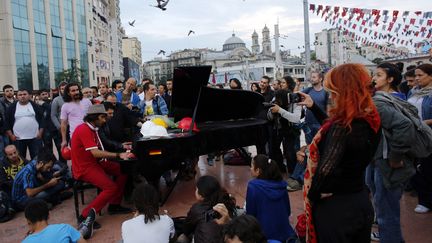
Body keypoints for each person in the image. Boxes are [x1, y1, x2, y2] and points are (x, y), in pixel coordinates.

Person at [298, 63, 381, 243]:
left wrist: (313, 196)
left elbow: (325, 170)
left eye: (333, 91)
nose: (331, 96)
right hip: (359, 199)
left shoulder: (342, 127)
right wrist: (314, 107)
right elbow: (333, 133)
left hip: (337, 209)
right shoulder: (369, 117)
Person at [367, 63, 417, 243]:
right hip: (378, 159)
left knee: (387, 209)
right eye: (374, 74)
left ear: (391, 79)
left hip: (387, 161)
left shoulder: (384, 101)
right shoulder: (380, 97)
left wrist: (396, 157)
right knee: (381, 202)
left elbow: (404, 127)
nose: (374, 78)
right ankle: (385, 233)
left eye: (379, 75)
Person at [71, 104, 133, 232]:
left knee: (124, 170)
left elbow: (101, 148)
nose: (105, 120)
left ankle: (114, 205)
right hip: (85, 167)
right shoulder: (83, 129)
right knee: (110, 187)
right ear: (94, 117)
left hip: (95, 163)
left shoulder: (94, 128)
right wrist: (118, 154)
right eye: (102, 117)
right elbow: (96, 152)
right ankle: (84, 216)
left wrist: (122, 146)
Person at [246, 154, 296, 242]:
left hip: (264, 236)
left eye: (252, 166)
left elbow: (250, 216)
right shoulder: (282, 185)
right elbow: (287, 211)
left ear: (258, 170)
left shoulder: (253, 186)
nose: (250, 168)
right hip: (285, 235)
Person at [178, 175, 237, 243]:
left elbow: (186, 229)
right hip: (225, 238)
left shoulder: (197, 209)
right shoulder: (226, 202)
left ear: (201, 195)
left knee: (182, 238)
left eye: (196, 189)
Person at [408, 64, 432, 214]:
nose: (417, 78)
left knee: (428, 168)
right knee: (416, 169)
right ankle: (424, 198)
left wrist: (423, 123)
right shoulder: (414, 92)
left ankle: (427, 201)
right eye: (415, 75)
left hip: (428, 135)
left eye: (420, 75)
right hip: (415, 135)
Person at [267, 89, 302, 174]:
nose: (277, 100)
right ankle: (279, 169)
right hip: (278, 129)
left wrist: (280, 110)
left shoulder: (295, 103)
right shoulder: (276, 101)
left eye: (279, 98)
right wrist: (272, 111)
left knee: (290, 154)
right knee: (274, 150)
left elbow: (296, 119)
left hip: (291, 131)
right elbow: (269, 117)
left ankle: (292, 174)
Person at [4, 88, 44, 159]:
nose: (22, 96)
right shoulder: (11, 107)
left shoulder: (35, 106)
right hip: (18, 138)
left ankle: (36, 170)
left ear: (29, 96)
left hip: (34, 137)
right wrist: (11, 135)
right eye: (20, 95)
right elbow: (7, 122)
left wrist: (40, 132)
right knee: (20, 159)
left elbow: (42, 120)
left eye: (25, 94)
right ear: (17, 96)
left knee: (37, 158)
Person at [22, 199, 87, 242]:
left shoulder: (25, 241)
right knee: (74, 236)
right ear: (48, 215)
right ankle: (83, 231)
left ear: (28, 221)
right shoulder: (65, 228)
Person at [60, 82, 92, 148]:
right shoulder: (65, 106)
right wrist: (64, 140)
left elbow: (93, 117)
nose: (76, 92)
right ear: (68, 93)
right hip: (75, 136)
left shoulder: (87, 101)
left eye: (77, 90)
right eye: (73, 91)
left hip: (89, 134)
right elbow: (63, 124)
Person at [303, 71, 329, 144]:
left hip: (320, 124)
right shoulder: (308, 90)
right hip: (308, 123)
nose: (312, 79)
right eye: (311, 77)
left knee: (320, 145)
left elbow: (328, 109)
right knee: (309, 145)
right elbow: (297, 95)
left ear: (320, 79)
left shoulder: (325, 92)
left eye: (314, 77)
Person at [50, 81, 68, 164]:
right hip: (61, 129)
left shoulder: (72, 99)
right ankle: (63, 169)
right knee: (62, 150)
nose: (64, 90)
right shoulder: (56, 100)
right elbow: (53, 115)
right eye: (62, 89)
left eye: (65, 88)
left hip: (72, 128)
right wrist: (59, 127)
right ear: (59, 90)